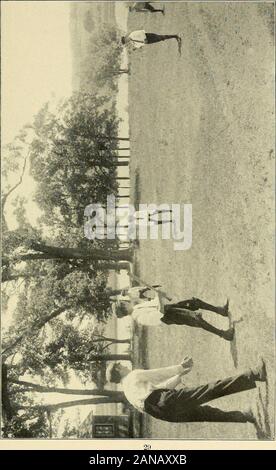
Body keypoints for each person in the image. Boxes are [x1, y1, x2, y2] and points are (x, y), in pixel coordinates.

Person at [107, 357, 267, 424]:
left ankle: (244, 417)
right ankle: (254, 374)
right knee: (211, 389)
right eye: (120, 366)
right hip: (166, 401)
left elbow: (156, 397)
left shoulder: (128, 394)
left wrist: (179, 376)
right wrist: (180, 367)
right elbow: (158, 374)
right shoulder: (133, 375)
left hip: (164, 414)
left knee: (206, 414)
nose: (124, 365)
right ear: (119, 371)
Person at [115, 292, 234, 341]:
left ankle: (221, 311)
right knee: (197, 319)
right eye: (124, 302)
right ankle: (224, 334)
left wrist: (158, 296)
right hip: (169, 316)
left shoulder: (136, 308)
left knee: (194, 302)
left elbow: (153, 304)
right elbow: (159, 315)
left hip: (168, 308)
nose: (126, 301)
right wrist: (159, 297)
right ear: (124, 308)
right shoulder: (139, 318)